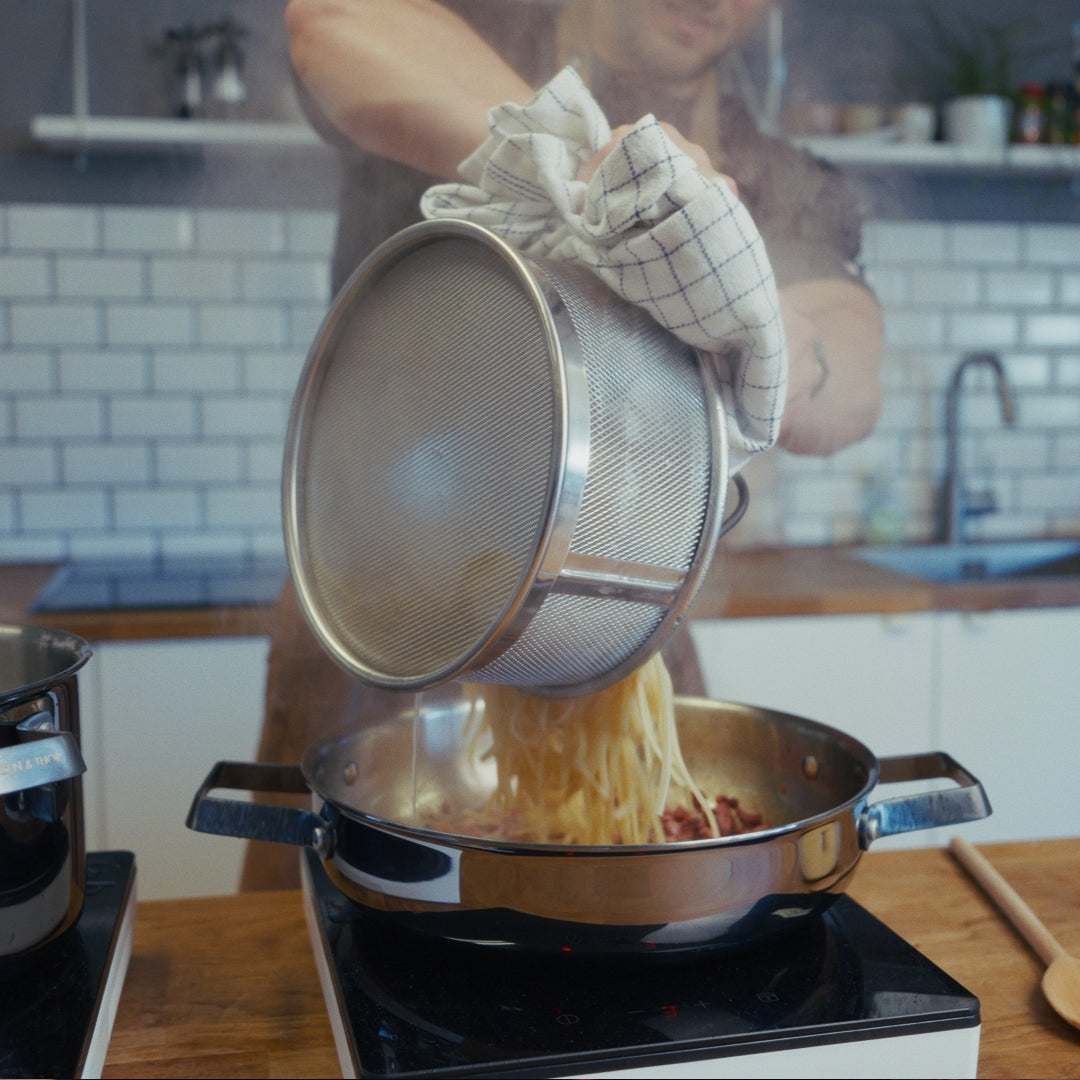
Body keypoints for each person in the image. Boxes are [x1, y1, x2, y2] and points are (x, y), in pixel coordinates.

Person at [239, 0, 884, 889]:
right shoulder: (477, 28)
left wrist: (766, 327)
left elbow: (851, 378)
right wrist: (582, 165)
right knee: (300, 940)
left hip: (626, 606)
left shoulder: (765, 173)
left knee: (628, 877)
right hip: (379, 601)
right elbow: (335, 21)